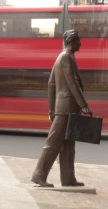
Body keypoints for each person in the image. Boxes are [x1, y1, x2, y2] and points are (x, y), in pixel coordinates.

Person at [31, 29, 92, 187]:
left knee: (68, 145)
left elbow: (51, 83)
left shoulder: (63, 57)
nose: (81, 43)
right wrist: (83, 105)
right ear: (71, 42)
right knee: (54, 143)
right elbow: (72, 83)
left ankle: (68, 178)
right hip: (66, 107)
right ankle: (39, 174)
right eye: (78, 40)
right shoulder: (66, 57)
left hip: (65, 107)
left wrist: (51, 109)